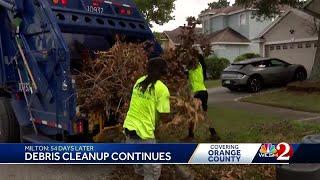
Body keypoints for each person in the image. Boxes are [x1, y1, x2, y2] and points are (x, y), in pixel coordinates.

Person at [123, 57, 171, 180]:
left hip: (129, 129)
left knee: (139, 168)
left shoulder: (139, 81)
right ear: (163, 72)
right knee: (152, 173)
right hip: (143, 133)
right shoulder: (162, 88)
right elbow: (165, 116)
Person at [187, 55, 219, 141]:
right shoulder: (200, 68)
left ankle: (190, 136)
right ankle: (214, 134)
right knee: (204, 115)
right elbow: (201, 58)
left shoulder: (189, 71)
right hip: (204, 92)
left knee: (192, 115)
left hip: (197, 94)